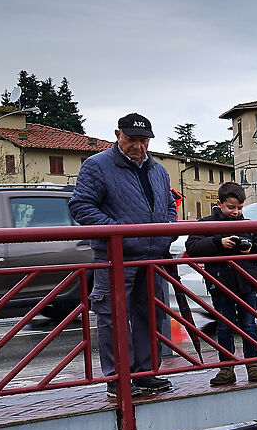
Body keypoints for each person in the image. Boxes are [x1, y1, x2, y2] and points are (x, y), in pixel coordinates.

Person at [68, 113, 177, 396]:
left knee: (150, 315)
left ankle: (145, 373)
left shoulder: (158, 169)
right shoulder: (96, 166)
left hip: (152, 255)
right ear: (118, 135)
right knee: (113, 317)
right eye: (131, 139)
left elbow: (169, 206)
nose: (138, 146)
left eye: (143, 141)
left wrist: (167, 231)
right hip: (115, 256)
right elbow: (81, 207)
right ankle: (118, 378)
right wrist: (119, 233)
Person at [185, 181, 257, 385]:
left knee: (249, 325)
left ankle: (253, 365)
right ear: (219, 204)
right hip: (221, 283)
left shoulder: (250, 225)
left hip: (248, 282)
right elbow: (193, 246)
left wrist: (251, 248)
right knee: (225, 326)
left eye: (240, 208)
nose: (235, 212)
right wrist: (219, 243)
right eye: (231, 207)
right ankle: (226, 369)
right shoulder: (206, 224)